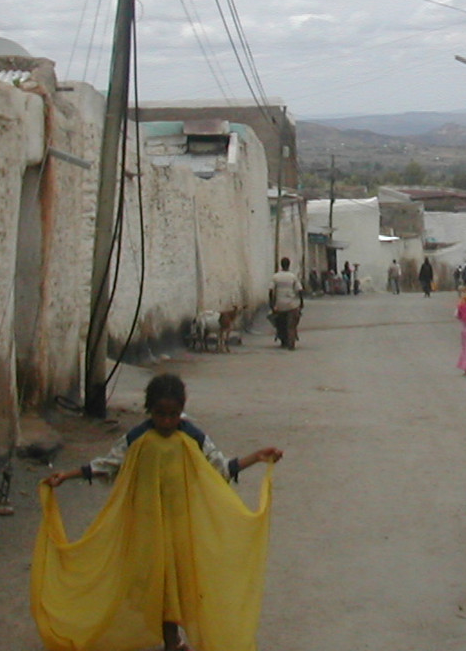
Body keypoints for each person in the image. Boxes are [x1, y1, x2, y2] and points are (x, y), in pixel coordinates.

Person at [37, 373, 283, 651]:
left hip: (181, 527)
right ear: (149, 410)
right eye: (160, 414)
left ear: (182, 411)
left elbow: (221, 468)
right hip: (146, 526)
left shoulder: (192, 437)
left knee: (177, 585)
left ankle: (171, 640)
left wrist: (257, 457)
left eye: (173, 415)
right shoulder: (138, 438)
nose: (166, 422)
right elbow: (107, 464)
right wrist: (67, 475)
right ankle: (169, 640)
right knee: (154, 584)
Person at [269, 256, 302, 350]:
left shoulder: (275, 276)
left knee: (279, 323)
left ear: (281, 265)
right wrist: (301, 303)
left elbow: (271, 291)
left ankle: (283, 340)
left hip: (279, 305)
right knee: (291, 325)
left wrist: (272, 304)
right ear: (289, 265)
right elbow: (299, 290)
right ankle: (291, 342)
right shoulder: (292, 276)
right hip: (291, 305)